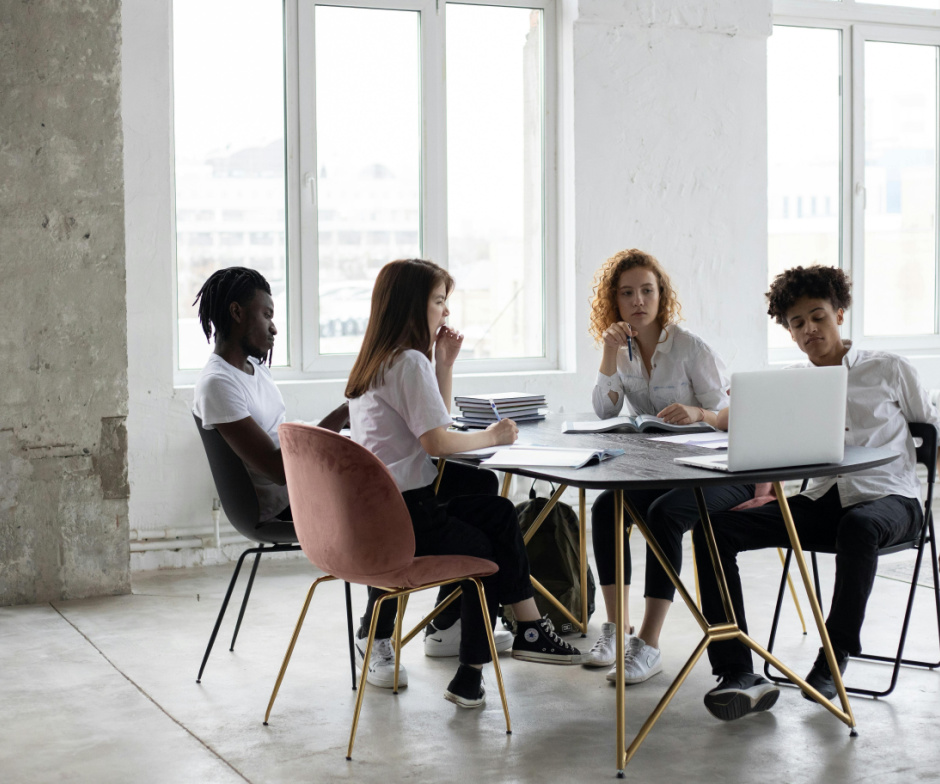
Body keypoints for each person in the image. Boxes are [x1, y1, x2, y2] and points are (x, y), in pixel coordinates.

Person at [696, 264, 939, 722]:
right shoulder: (791, 383)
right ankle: (737, 672)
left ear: (840, 314)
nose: (809, 329)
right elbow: (753, 428)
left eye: (818, 316)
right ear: (789, 333)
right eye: (797, 323)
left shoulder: (887, 368)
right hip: (825, 498)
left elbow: (934, 430)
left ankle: (834, 657)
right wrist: (764, 487)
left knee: (859, 526)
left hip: (893, 501)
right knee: (715, 529)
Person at [346, 258, 583, 709]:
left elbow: (431, 419)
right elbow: (436, 440)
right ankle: (485, 660)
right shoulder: (407, 362)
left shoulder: (377, 361)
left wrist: (444, 365)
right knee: (486, 546)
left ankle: (506, 645)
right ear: (413, 306)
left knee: (491, 508)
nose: (445, 313)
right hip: (406, 518)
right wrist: (492, 435)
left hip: (381, 514)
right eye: (439, 301)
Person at [583, 248, 754, 684]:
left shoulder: (690, 348)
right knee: (606, 507)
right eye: (627, 293)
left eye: (647, 291)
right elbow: (606, 411)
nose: (638, 300)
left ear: (662, 296)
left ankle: (648, 641)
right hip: (662, 470)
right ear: (615, 302)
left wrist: (701, 415)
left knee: (664, 515)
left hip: (719, 471)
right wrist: (607, 351)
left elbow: (733, 416)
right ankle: (615, 630)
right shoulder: (620, 350)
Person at [191, 266, 347, 528]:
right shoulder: (218, 384)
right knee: (400, 491)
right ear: (237, 312)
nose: (274, 328)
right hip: (282, 504)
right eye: (266, 315)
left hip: (297, 490)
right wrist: (344, 412)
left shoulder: (255, 369)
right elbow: (277, 470)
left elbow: (276, 434)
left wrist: (339, 422)